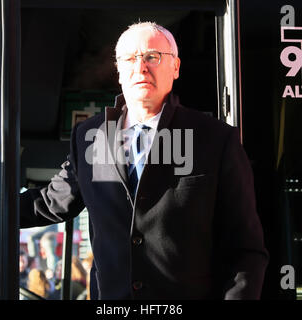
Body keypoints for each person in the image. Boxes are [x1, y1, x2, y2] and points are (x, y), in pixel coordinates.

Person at [20, 21, 269, 299]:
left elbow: (245, 249)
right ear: (118, 70)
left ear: (175, 67)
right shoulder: (91, 136)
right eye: (129, 59)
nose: (140, 68)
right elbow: (50, 203)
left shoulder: (214, 139)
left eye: (152, 56)